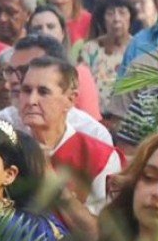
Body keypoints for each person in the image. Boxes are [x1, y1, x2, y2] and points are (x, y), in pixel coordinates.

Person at [16, 56, 119, 211]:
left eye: (43, 92)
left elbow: (100, 232)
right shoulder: (6, 144)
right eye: (26, 90)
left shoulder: (99, 157)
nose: (31, 100)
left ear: (70, 99)